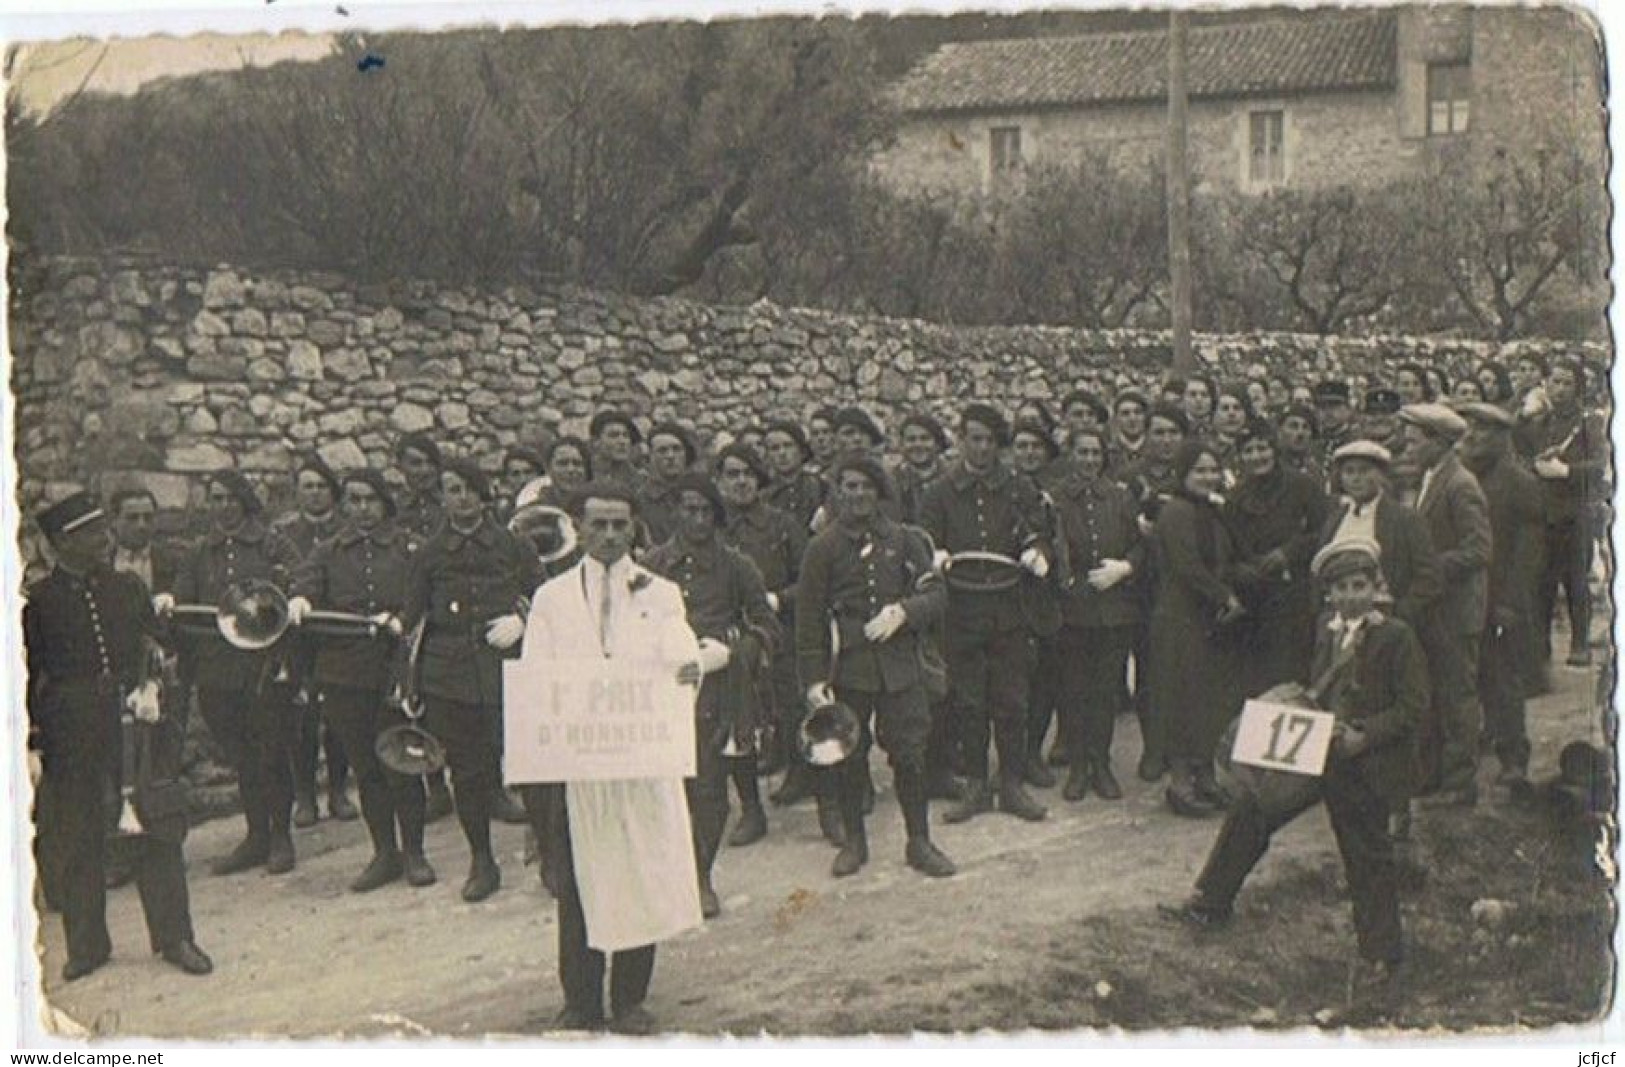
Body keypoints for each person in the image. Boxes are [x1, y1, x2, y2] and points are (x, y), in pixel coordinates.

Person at [1162, 539, 1425, 996]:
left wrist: (1366, 733)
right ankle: (1211, 901)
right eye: (1340, 588)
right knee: (1253, 807)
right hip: (1318, 746)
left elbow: (1414, 706)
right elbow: (1319, 686)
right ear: (1328, 594)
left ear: (1376, 585)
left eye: (1359, 585)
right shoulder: (1327, 628)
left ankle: (1382, 954)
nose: (1350, 596)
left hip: (1363, 761)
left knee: (1366, 853)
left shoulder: (1395, 635)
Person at [518, 483, 706, 1034]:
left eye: (619, 525)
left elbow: (678, 649)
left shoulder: (661, 593)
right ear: (577, 528)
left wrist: (687, 666)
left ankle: (629, 999)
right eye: (597, 525)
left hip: (639, 761)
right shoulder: (552, 599)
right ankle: (579, 998)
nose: (608, 536)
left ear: (634, 529)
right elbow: (538, 678)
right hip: (580, 768)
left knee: (637, 874)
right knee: (577, 883)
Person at [26, 492, 214, 982]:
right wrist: (34, 740)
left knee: (157, 829)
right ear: (63, 542)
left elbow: (161, 643)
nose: (102, 538)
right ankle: (86, 947)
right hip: (71, 729)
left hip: (133, 726)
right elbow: (26, 676)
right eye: (90, 533)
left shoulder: (126, 587)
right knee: (79, 836)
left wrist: (152, 684)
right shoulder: (39, 602)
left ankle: (176, 937)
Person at [797, 456, 957, 879]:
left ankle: (919, 840)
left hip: (900, 665)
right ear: (838, 492)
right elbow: (809, 619)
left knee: (911, 755)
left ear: (880, 492)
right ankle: (855, 842)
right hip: (846, 669)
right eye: (849, 486)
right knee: (849, 757)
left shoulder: (904, 541)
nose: (858, 494)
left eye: (867, 487)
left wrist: (904, 612)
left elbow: (937, 593)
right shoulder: (823, 548)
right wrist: (814, 682)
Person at [399, 459, 542, 901]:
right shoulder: (429, 553)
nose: (460, 498)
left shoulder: (512, 544)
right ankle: (482, 859)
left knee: (529, 763)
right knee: (466, 770)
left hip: (507, 670)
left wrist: (523, 619)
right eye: (451, 490)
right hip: (451, 675)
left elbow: (545, 596)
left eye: (467, 489)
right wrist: (410, 680)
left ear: (483, 494)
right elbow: (413, 617)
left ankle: (547, 852)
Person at [289, 469, 435, 892]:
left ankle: (415, 853)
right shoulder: (329, 551)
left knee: (403, 764)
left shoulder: (409, 549)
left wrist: (402, 619)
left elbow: (425, 596)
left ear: (384, 503)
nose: (361, 508)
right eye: (353, 500)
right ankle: (384, 853)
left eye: (369, 499)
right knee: (366, 768)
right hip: (343, 675)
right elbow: (306, 581)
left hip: (394, 673)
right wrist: (300, 598)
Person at [643, 475, 780, 918]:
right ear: (676, 512)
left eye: (706, 512)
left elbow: (767, 626)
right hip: (660, 688)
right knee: (664, 790)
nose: (697, 520)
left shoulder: (737, 566)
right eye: (689, 510)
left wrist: (731, 653)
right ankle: (669, 875)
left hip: (717, 692)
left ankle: (701, 876)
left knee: (709, 791)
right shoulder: (651, 566)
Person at [920, 404, 1052, 825]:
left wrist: (1037, 553)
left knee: (1012, 700)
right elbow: (924, 542)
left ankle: (1011, 783)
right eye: (973, 438)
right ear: (961, 440)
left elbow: (1040, 532)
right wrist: (934, 555)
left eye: (990, 441)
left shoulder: (1018, 487)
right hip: (960, 610)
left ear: (1000, 446)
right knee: (968, 701)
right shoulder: (938, 492)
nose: (981, 448)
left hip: (1008, 608)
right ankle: (976, 783)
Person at [172, 472, 304, 876]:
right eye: (216, 498)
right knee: (243, 756)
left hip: (262, 667)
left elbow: (298, 583)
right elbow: (184, 601)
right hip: (218, 671)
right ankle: (256, 836)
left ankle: (281, 836)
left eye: (231, 498)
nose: (223, 505)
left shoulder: (272, 543)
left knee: (271, 752)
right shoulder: (199, 553)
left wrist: (291, 594)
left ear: (245, 501)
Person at [716, 444, 812, 843]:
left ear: (759, 480)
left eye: (748, 474)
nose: (740, 482)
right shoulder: (711, 525)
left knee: (793, 706)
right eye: (732, 474)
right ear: (720, 481)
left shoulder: (782, 524)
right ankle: (751, 809)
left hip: (780, 630)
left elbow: (809, 578)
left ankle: (804, 778)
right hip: (727, 639)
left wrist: (779, 599)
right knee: (738, 722)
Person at [1399, 403, 1491, 808]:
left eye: (1414, 441)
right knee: (1432, 695)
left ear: (1437, 442)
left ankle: (1459, 784)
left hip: (1455, 612)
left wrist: (1428, 567)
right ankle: (1433, 775)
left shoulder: (1460, 484)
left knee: (1456, 697)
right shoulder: (1431, 478)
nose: (1408, 448)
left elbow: (1479, 549)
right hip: (1437, 609)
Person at [1150, 441, 1244, 817]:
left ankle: (1206, 776)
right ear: (1183, 475)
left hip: (1208, 619)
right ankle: (1180, 782)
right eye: (1199, 471)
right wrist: (1225, 596)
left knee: (1208, 701)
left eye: (1212, 470)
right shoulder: (1175, 512)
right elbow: (1188, 566)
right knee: (1181, 699)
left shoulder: (1213, 512)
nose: (1207, 477)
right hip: (1180, 617)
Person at [1050, 429, 1142, 802]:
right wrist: (1066, 583)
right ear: (1071, 455)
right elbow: (1051, 545)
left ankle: (1100, 764)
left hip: (1114, 610)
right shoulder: (1056, 500)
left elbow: (1141, 544)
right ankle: (1078, 767)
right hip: (1073, 609)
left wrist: (1126, 566)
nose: (1089, 460)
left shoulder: (1120, 498)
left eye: (1095, 453)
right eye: (1082, 452)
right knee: (1074, 690)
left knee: (1105, 691)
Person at [1457, 403, 1544, 790]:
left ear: (1501, 436)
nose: (1472, 438)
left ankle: (1513, 758)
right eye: (1468, 431)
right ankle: (1480, 743)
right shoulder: (1462, 477)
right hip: (1468, 595)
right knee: (1469, 676)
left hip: (1502, 596)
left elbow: (1529, 553)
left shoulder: (1519, 482)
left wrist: (1511, 601)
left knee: (1504, 679)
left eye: (1481, 432)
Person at [274, 455, 356, 829]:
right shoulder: (283, 533)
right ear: (297, 492)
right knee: (299, 715)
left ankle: (339, 789)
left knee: (338, 713)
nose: (315, 493)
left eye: (322, 486)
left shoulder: (349, 529)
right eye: (307, 486)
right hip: (295, 634)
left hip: (335, 632)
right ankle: (305, 795)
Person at [1225, 420, 1329, 698]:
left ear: (1274, 449)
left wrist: (1289, 552)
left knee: (1293, 674)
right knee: (1258, 679)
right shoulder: (1236, 496)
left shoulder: (1302, 485)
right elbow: (1229, 546)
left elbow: (1325, 529)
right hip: (1256, 601)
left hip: (1296, 597)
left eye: (1263, 448)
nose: (1257, 456)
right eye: (1249, 450)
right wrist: (1243, 569)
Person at [1526, 358, 1605, 669]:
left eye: (1567, 383)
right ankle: (1540, 646)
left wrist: (1567, 470)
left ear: (1578, 389)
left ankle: (1580, 643)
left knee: (1575, 581)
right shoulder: (1538, 423)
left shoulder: (1589, 425)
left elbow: (1601, 467)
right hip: (1543, 511)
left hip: (1575, 511)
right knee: (1541, 581)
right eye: (1554, 382)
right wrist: (1536, 466)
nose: (1559, 389)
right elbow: (1521, 455)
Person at [1318, 441, 1440, 631]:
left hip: (1386, 623)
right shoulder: (1335, 519)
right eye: (1349, 472)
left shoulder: (1405, 520)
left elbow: (1428, 578)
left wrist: (1399, 615)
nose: (1356, 479)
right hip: (1339, 623)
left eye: (1364, 471)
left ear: (1381, 475)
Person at [639, 422, 698, 546]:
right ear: (650, 457)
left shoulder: (700, 495)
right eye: (662, 451)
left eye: (677, 449)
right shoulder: (640, 501)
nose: (670, 456)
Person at [761, 419, 826, 530]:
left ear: (802, 451)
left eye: (788, 445)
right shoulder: (763, 497)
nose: (782, 453)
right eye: (774, 448)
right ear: (767, 456)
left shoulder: (822, 488)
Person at [395, 433, 446, 543]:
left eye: (430, 462)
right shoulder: (393, 508)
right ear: (400, 467)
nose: (425, 470)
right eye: (416, 463)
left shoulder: (451, 502)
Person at [589, 410, 648, 496]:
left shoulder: (641, 480)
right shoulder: (582, 473)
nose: (622, 441)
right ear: (595, 442)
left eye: (626, 436)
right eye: (614, 435)